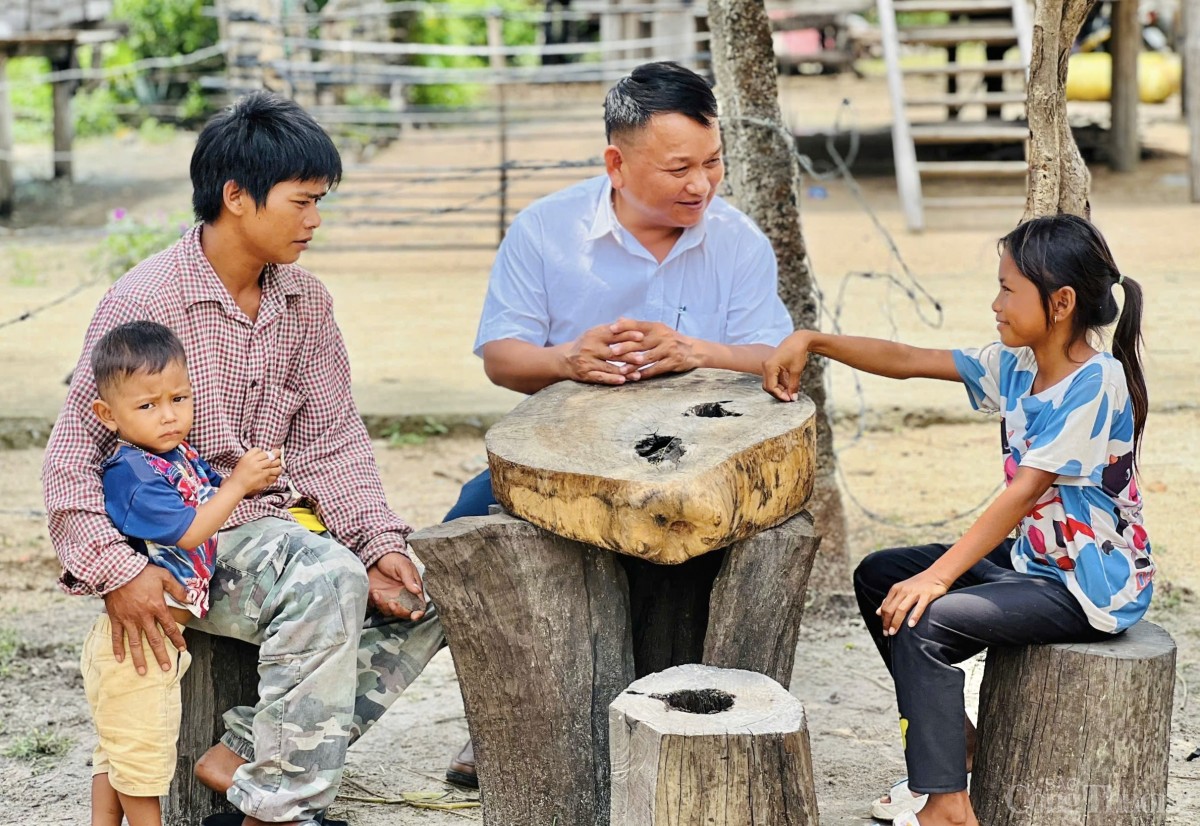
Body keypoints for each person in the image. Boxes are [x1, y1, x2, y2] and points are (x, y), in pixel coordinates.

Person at [43, 92, 444, 826]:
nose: (315, 220)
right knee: (327, 576)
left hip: (279, 532)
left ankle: (248, 761)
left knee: (436, 582)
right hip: (188, 551)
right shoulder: (146, 301)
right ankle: (278, 809)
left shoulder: (306, 304)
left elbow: (334, 441)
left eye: (320, 202)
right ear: (236, 196)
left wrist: (382, 544)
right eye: (302, 202)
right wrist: (117, 571)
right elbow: (71, 459)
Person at [442, 60, 794, 786]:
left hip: (701, 467)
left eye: (713, 163)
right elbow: (502, 359)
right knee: (467, 534)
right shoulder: (547, 229)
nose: (701, 185)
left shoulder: (737, 241)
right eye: (679, 169)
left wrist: (698, 351)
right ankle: (502, 718)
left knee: (713, 547)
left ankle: (688, 720)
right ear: (616, 162)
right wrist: (567, 358)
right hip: (566, 463)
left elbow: (775, 359)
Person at [762, 214, 1153, 826]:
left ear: (1062, 303)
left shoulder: (1095, 384)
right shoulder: (1020, 365)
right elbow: (908, 359)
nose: (994, 302)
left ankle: (947, 806)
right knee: (880, 576)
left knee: (923, 616)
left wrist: (939, 577)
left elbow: (1023, 495)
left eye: (1007, 288)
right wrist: (815, 341)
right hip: (1033, 565)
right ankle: (958, 744)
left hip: (1086, 588)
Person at [83, 321, 283, 826]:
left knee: (119, 750)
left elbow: (211, 488)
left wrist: (251, 482)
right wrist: (239, 484)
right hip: (136, 643)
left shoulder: (175, 455)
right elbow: (191, 531)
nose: (169, 416)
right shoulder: (132, 475)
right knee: (143, 760)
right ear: (108, 415)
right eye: (148, 406)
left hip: (152, 639)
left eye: (179, 398)